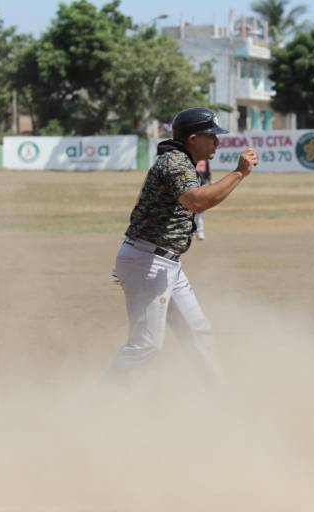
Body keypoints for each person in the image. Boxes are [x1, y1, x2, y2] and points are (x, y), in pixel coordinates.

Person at [108, 107, 258, 382]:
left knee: (197, 331)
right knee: (146, 345)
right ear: (193, 138)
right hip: (147, 261)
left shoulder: (181, 161)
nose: (217, 141)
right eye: (211, 136)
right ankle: (103, 398)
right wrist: (238, 173)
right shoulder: (174, 162)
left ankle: (220, 396)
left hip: (162, 261)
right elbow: (196, 201)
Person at [194, 160, 211, 240]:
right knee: (191, 210)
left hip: (203, 187)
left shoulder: (205, 160)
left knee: (201, 211)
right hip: (192, 187)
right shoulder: (190, 158)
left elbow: (208, 173)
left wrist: (209, 183)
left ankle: (200, 232)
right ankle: (192, 230)